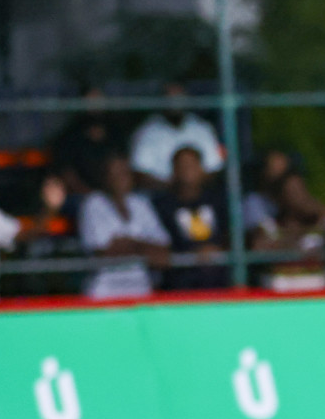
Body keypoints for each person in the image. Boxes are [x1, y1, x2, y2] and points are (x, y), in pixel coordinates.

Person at [78, 153, 171, 300]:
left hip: (141, 290)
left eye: (124, 172)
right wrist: (143, 247)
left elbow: (163, 253)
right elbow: (103, 252)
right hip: (103, 292)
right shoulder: (93, 203)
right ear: (104, 178)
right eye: (113, 173)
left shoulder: (140, 203)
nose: (120, 177)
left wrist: (129, 244)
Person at [152, 146, 230, 290]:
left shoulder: (218, 200)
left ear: (202, 169)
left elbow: (230, 235)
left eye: (192, 164)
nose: (187, 169)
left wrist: (218, 249)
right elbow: (160, 244)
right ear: (173, 171)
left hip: (220, 283)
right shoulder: (161, 206)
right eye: (182, 165)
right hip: (179, 285)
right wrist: (193, 254)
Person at [129, 82, 224, 187]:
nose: (175, 103)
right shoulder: (146, 132)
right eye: (170, 98)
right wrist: (175, 188)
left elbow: (214, 169)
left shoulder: (202, 128)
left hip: (200, 194)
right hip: (160, 196)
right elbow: (140, 173)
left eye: (179, 98)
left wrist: (190, 187)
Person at [50, 85, 124, 195]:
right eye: (89, 101)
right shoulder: (69, 137)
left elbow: (122, 166)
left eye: (98, 100)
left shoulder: (115, 132)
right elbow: (67, 174)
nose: (95, 105)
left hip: (115, 197)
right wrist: (90, 196)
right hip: (82, 197)